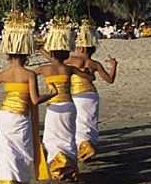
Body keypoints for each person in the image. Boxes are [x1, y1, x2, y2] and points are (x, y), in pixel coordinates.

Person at [0, 11, 56, 184]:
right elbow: (35, 100)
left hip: (5, 115)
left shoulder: (3, 74)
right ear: (26, 55)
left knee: (6, 150)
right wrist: (52, 94)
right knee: (21, 150)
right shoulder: (29, 74)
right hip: (20, 116)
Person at [42, 19, 118, 162]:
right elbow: (109, 79)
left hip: (77, 95)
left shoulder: (72, 60)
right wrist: (114, 65)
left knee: (78, 123)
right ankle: (87, 146)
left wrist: (41, 49)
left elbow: (55, 60)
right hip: (92, 95)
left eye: (77, 47)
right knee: (88, 122)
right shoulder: (95, 64)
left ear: (82, 48)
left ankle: (83, 148)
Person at [35, 16, 94, 181]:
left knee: (52, 139)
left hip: (54, 107)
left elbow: (28, 76)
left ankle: (60, 166)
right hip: (69, 106)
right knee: (68, 138)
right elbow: (90, 78)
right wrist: (89, 72)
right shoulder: (69, 69)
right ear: (67, 54)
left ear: (51, 53)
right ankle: (71, 168)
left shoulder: (44, 69)